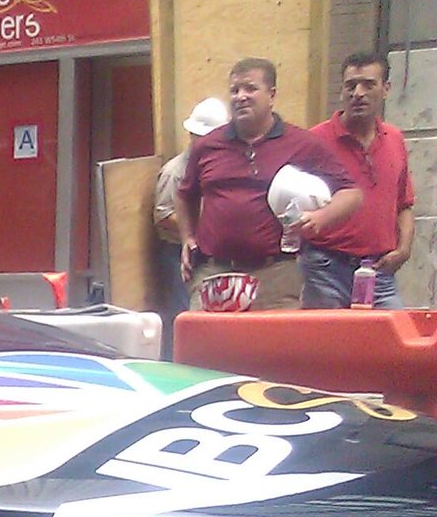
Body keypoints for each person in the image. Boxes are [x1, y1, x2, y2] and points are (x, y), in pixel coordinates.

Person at [175, 57, 360, 311]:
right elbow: (185, 195)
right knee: (209, 349)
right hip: (214, 273)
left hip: (276, 276)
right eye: (234, 90)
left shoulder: (302, 143)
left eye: (250, 88)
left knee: (273, 350)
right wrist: (188, 237)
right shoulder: (207, 145)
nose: (241, 96)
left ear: (271, 95)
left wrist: (321, 218)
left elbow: (351, 193)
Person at [302, 51, 416, 308]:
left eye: (368, 84)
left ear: (386, 89)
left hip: (379, 271)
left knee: (391, 343)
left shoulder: (395, 139)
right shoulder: (313, 142)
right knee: (329, 345)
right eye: (350, 85)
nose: (358, 93)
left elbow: (405, 203)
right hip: (325, 270)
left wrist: (404, 250)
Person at [153, 96, 228, 342]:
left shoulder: (215, 166)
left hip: (203, 251)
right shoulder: (175, 172)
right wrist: (201, 228)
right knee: (182, 314)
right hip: (176, 252)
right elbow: (163, 215)